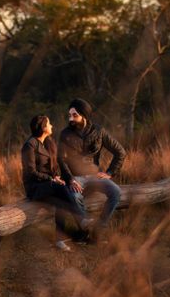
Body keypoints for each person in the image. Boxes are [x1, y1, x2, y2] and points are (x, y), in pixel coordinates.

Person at [21, 115, 90, 252]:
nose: (52, 126)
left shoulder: (46, 143)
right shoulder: (29, 145)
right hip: (35, 188)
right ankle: (81, 218)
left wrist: (56, 177)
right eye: (49, 123)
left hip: (47, 186)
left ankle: (59, 240)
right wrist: (51, 180)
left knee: (61, 204)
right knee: (62, 188)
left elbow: (50, 168)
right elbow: (31, 172)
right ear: (43, 127)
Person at [57, 98, 127, 233]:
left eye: (74, 115)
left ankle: (100, 227)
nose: (71, 118)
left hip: (95, 176)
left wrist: (110, 172)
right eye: (69, 115)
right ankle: (86, 231)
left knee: (116, 192)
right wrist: (70, 179)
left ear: (84, 115)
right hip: (75, 177)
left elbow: (120, 152)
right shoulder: (65, 134)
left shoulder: (99, 131)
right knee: (75, 197)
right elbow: (61, 159)